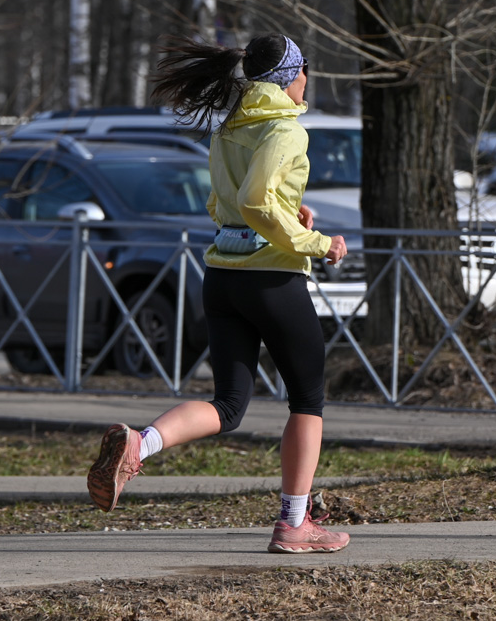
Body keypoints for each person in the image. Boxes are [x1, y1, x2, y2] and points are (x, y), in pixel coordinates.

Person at [86, 33, 350, 554]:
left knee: (228, 405)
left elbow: (222, 205)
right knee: (308, 401)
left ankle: (142, 443)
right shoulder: (284, 129)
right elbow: (255, 201)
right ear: (288, 77)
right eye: (304, 72)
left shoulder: (230, 126)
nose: (306, 83)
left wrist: (284, 211)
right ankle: (294, 523)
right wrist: (315, 241)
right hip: (273, 280)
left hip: (222, 278)